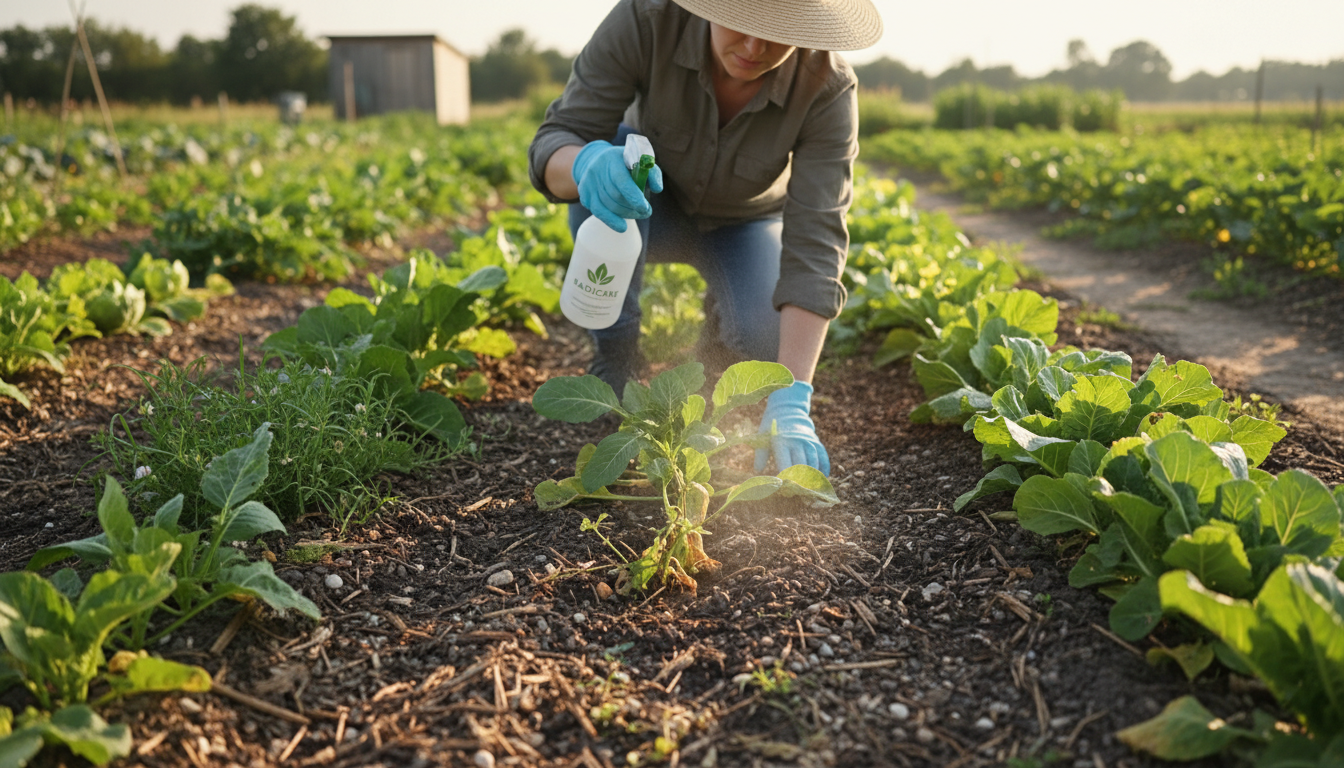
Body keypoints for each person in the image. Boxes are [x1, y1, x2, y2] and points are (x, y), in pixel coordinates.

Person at [528, 0, 881, 477]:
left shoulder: (828, 86)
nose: (754, 47)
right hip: (647, 205)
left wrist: (794, 394)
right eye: (741, 21)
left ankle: (717, 334)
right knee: (605, 148)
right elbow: (558, 138)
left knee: (766, 345)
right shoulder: (646, 20)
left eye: (778, 31)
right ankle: (616, 350)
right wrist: (584, 164)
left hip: (744, 224)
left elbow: (817, 240)